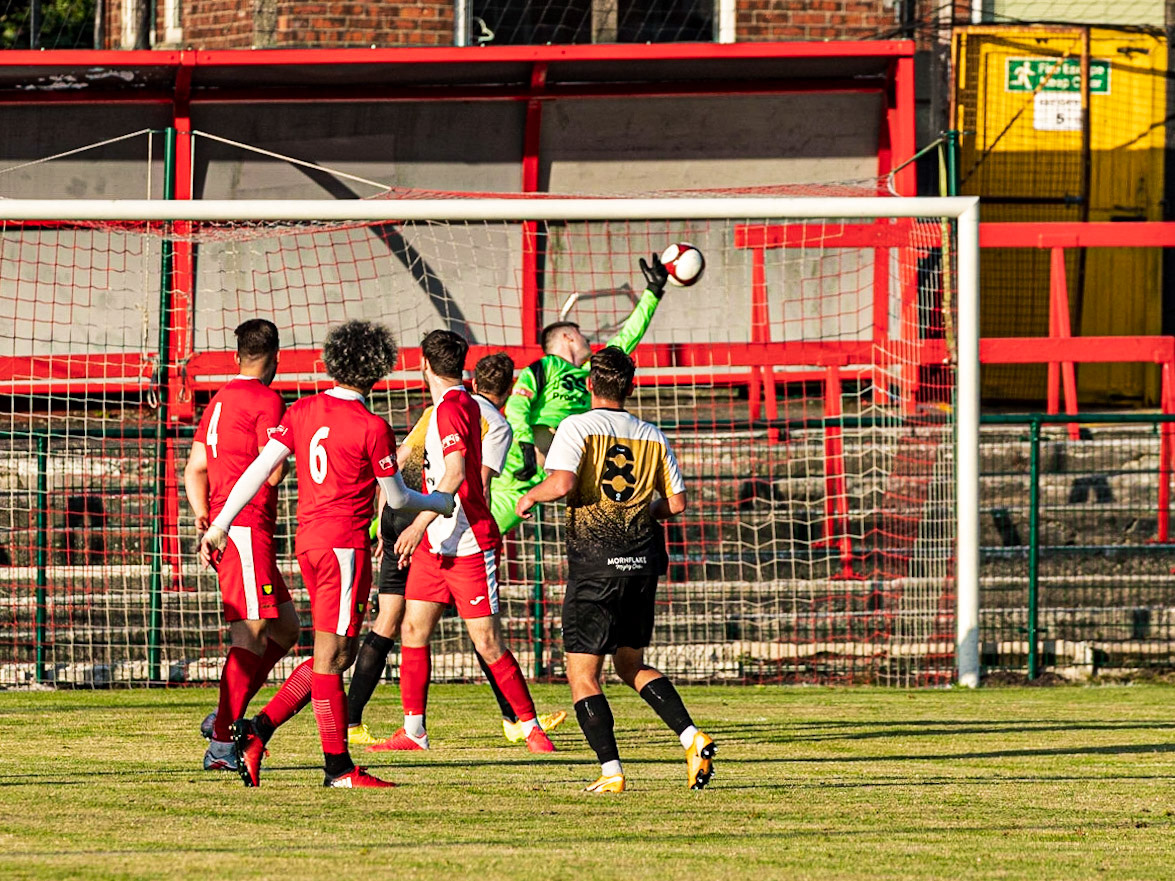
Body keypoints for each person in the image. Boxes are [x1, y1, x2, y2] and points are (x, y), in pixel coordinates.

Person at [198, 320, 455, 789]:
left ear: (332, 361)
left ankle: (260, 731)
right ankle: (333, 766)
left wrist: (219, 523)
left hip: (308, 544)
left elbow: (258, 469)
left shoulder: (300, 411)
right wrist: (437, 502)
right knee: (334, 657)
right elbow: (397, 499)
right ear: (378, 369)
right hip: (343, 548)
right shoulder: (372, 426)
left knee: (332, 653)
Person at [516, 346, 716, 792]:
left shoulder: (578, 426)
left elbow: (564, 482)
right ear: (631, 386)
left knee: (582, 674)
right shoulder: (652, 434)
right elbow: (678, 504)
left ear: (590, 384)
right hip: (643, 564)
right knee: (629, 665)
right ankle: (691, 736)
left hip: (596, 564)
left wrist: (530, 496)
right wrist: (645, 511)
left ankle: (611, 772)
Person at [345, 352, 566, 748]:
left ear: (425, 365)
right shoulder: (443, 411)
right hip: (431, 540)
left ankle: (529, 726)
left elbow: (466, 486)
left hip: (464, 541)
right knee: (412, 629)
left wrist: (409, 523)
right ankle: (414, 731)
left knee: (485, 640)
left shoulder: (477, 418)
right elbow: (422, 468)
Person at [184, 319, 298, 773]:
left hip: (227, 526)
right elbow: (270, 472)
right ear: (275, 359)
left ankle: (225, 717)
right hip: (246, 528)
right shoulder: (268, 400)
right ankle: (221, 742)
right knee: (250, 635)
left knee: (286, 631)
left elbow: (195, 468)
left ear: (237, 357)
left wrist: (204, 515)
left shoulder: (216, 401)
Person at [491, 254, 670, 536]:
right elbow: (517, 406)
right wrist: (526, 445)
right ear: (568, 337)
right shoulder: (544, 367)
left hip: (547, 474)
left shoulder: (592, 372)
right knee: (473, 527)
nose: (588, 339)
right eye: (581, 333)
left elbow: (626, 339)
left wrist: (653, 293)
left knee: (484, 535)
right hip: (519, 464)